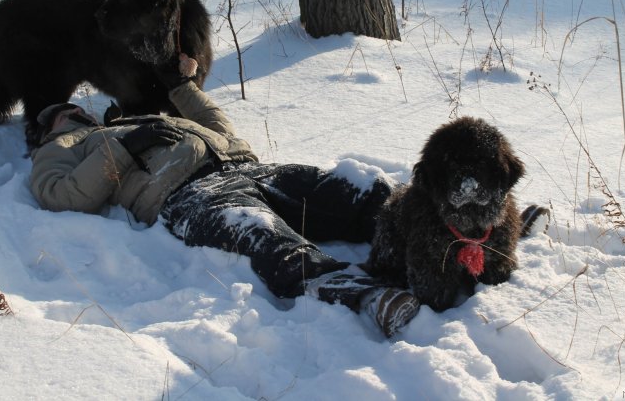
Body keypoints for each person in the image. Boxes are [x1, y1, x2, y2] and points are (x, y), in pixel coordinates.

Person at [28, 55, 420, 338]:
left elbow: (217, 126)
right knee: (262, 235)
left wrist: (181, 89)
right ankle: (365, 294)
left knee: (353, 188)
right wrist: (124, 148)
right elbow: (60, 196)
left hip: (245, 167)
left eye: (78, 107)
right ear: (46, 130)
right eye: (63, 112)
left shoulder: (135, 122)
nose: (76, 111)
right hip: (188, 195)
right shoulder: (57, 149)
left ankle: (434, 237)